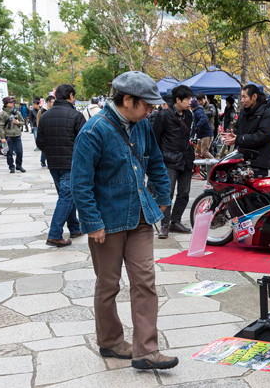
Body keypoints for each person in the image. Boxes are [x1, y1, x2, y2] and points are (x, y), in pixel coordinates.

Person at [71, 71, 178, 370]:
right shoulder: (93, 131)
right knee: (108, 284)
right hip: (108, 221)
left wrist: (162, 196)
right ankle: (110, 341)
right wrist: (92, 222)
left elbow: (156, 161)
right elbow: (81, 183)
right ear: (127, 99)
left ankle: (146, 350)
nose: (151, 110)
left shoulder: (142, 126)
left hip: (141, 216)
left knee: (145, 280)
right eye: (147, 104)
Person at [36, 84, 86, 247]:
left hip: (54, 163)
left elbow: (40, 141)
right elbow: (85, 142)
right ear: (70, 95)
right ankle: (54, 234)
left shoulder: (45, 116)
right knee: (66, 197)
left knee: (66, 196)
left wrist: (50, 154)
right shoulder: (76, 116)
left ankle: (74, 227)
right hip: (71, 163)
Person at [151, 85, 195, 238]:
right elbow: (155, 139)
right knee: (166, 193)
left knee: (184, 193)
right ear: (178, 99)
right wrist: (159, 158)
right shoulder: (163, 115)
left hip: (186, 159)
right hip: (169, 159)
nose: (190, 102)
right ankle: (164, 224)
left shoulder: (189, 115)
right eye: (188, 99)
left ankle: (175, 221)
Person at [222, 84, 270, 176]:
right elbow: (238, 130)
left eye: (244, 97)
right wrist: (233, 135)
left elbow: (262, 136)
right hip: (242, 160)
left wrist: (239, 139)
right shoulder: (243, 112)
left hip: (258, 164)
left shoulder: (267, 115)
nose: (242, 100)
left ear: (254, 97)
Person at [0, 96, 26, 174]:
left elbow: (23, 122)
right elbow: (0, 126)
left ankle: (19, 165)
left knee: (19, 151)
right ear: (6, 104)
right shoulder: (2, 114)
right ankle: (11, 166)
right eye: (10, 102)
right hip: (8, 136)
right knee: (9, 152)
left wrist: (18, 123)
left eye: (12, 102)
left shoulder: (17, 112)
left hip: (17, 134)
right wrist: (2, 137)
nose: (12, 103)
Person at [39, 96, 55, 167]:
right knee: (45, 147)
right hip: (45, 131)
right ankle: (43, 161)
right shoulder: (42, 110)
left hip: (52, 131)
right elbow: (38, 122)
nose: (54, 104)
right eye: (53, 102)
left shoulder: (54, 110)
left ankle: (50, 161)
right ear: (48, 102)